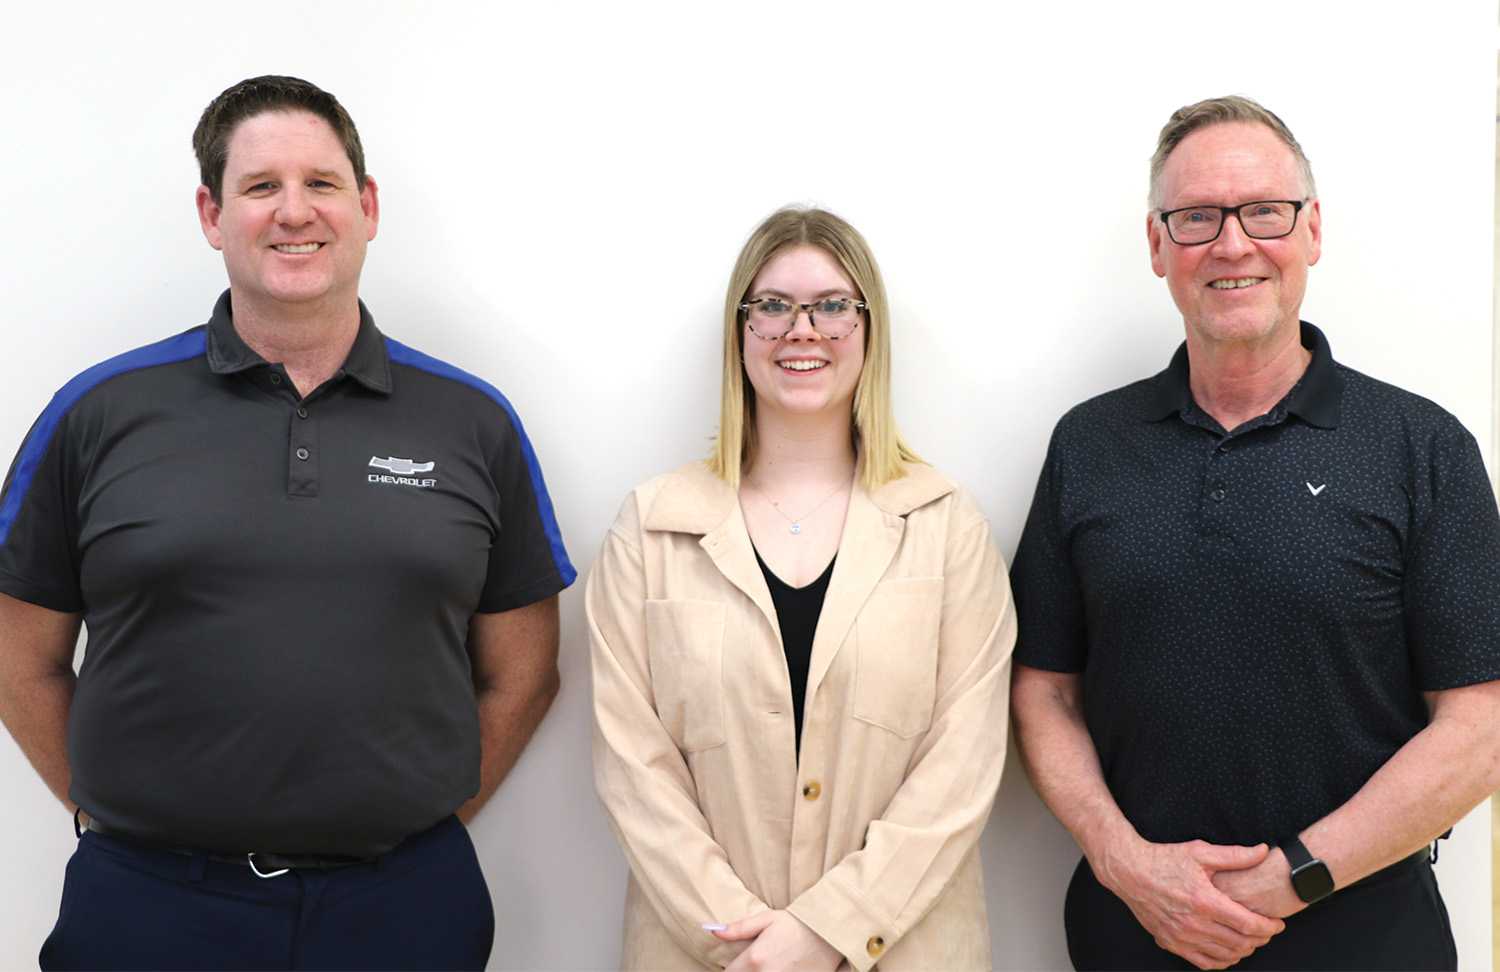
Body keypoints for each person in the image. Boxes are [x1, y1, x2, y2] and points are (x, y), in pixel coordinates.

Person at [0, 75, 574, 970]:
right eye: (261, 186)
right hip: (148, 907)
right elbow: (17, 656)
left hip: (404, 910)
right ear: (211, 212)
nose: (293, 212)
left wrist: (421, 826)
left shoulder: (472, 421)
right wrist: (102, 811)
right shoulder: (98, 411)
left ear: (368, 205)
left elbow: (526, 673)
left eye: (322, 183)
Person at [1009, 94, 1500, 971]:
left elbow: (1482, 722)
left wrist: (1294, 879)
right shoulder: (1088, 445)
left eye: (1264, 211)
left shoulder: (1421, 447)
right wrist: (1131, 867)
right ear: (1158, 246)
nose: (1232, 245)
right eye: (1196, 217)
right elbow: (1043, 691)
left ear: (1312, 231)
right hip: (1136, 930)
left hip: (1365, 931)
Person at [587, 206, 1015, 971]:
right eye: (773, 306)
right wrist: (748, 945)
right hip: (705, 956)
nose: (801, 330)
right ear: (740, 331)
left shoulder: (947, 527)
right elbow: (632, 767)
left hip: (908, 950)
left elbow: (964, 764)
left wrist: (828, 931)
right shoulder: (650, 530)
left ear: (869, 328)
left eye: (832, 306)